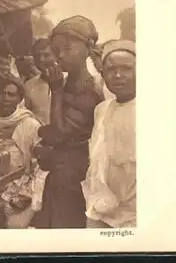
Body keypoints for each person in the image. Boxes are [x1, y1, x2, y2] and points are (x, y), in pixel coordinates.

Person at [31, 15, 104, 228]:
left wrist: (56, 90)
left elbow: (60, 134)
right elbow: (55, 131)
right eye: (57, 50)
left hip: (74, 177)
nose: (60, 56)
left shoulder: (89, 91)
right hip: (60, 173)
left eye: (67, 49)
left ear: (87, 50)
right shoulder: (68, 83)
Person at [0, 78, 46, 228]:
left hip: (21, 195)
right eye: (2, 93)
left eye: (11, 95)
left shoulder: (30, 125)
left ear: (20, 99)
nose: (6, 98)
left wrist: (16, 198)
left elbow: (41, 168)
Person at [81, 39, 136, 228]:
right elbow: (97, 160)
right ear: (103, 74)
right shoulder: (101, 110)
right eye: (111, 70)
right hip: (99, 209)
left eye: (126, 68)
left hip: (133, 216)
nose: (118, 75)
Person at [24, 38, 60, 125]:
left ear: (56, 56)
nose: (41, 60)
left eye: (46, 55)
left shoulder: (69, 81)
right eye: (37, 56)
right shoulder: (29, 85)